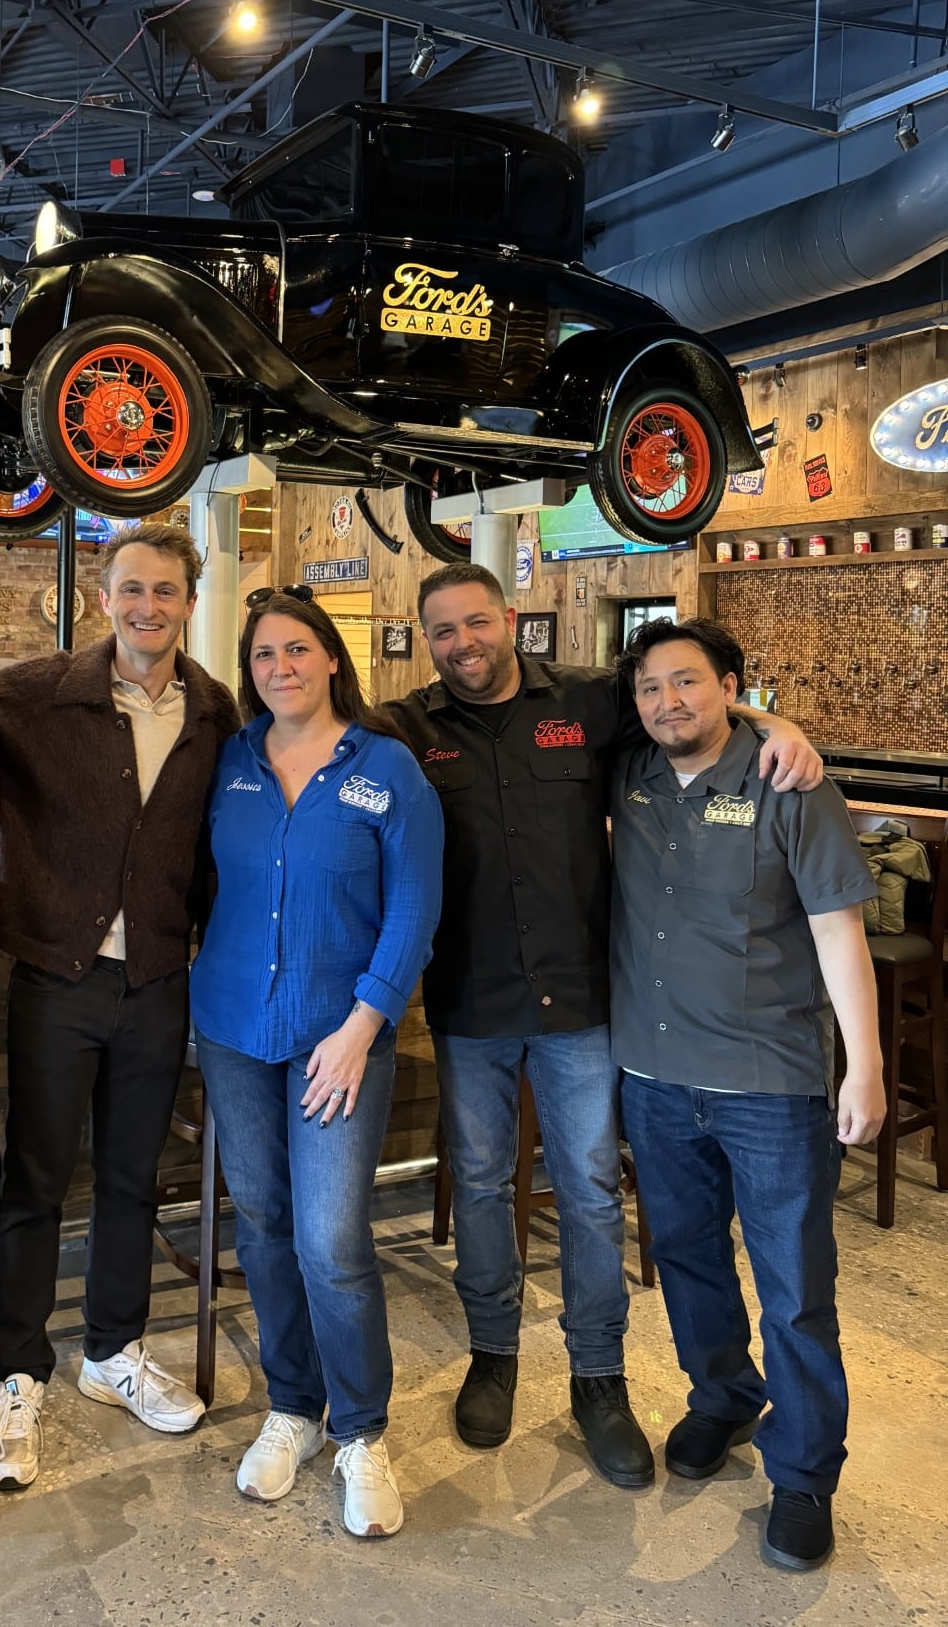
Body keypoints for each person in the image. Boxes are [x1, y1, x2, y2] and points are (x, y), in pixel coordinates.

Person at [381, 561, 823, 1489]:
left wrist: (779, 722)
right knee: (481, 1183)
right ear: (428, 643)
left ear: (509, 620)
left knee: (588, 1190)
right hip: (470, 1002)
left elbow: (691, 707)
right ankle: (492, 1356)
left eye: (474, 623)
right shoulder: (412, 726)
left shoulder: (590, 700)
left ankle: (599, 1377)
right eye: (442, 632)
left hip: (583, 1002)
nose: (461, 644)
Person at [0, 524, 239, 1492]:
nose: (147, 608)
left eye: (165, 591)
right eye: (131, 589)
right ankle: (19, 1369)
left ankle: (112, 1349)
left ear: (189, 600)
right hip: (56, 975)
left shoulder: (216, 712)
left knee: (133, 1176)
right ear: (102, 596)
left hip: (159, 980)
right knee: (38, 1178)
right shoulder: (31, 694)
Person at [611, 616, 884, 1572]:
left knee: (796, 1288)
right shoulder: (632, 773)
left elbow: (841, 933)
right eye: (651, 689)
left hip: (771, 1083)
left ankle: (805, 1476)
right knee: (685, 1260)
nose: (668, 703)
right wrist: (769, 715)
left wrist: (866, 1065)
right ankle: (722, 1397)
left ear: (729, 684)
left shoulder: (788, 782)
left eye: (688, 683)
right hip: (652, 1074)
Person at [191, 589, 443, 1538]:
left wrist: (363, 1023)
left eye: (298, 650)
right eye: (263, 655)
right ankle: (292, 1407)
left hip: (340, 1039)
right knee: (260, 1219)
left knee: (332, 1240)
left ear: (331, 659)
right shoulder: (233, 761)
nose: (281, 668)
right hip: (230, 1028)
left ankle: (362, 1431)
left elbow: (416, 904)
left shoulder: (384, 769)